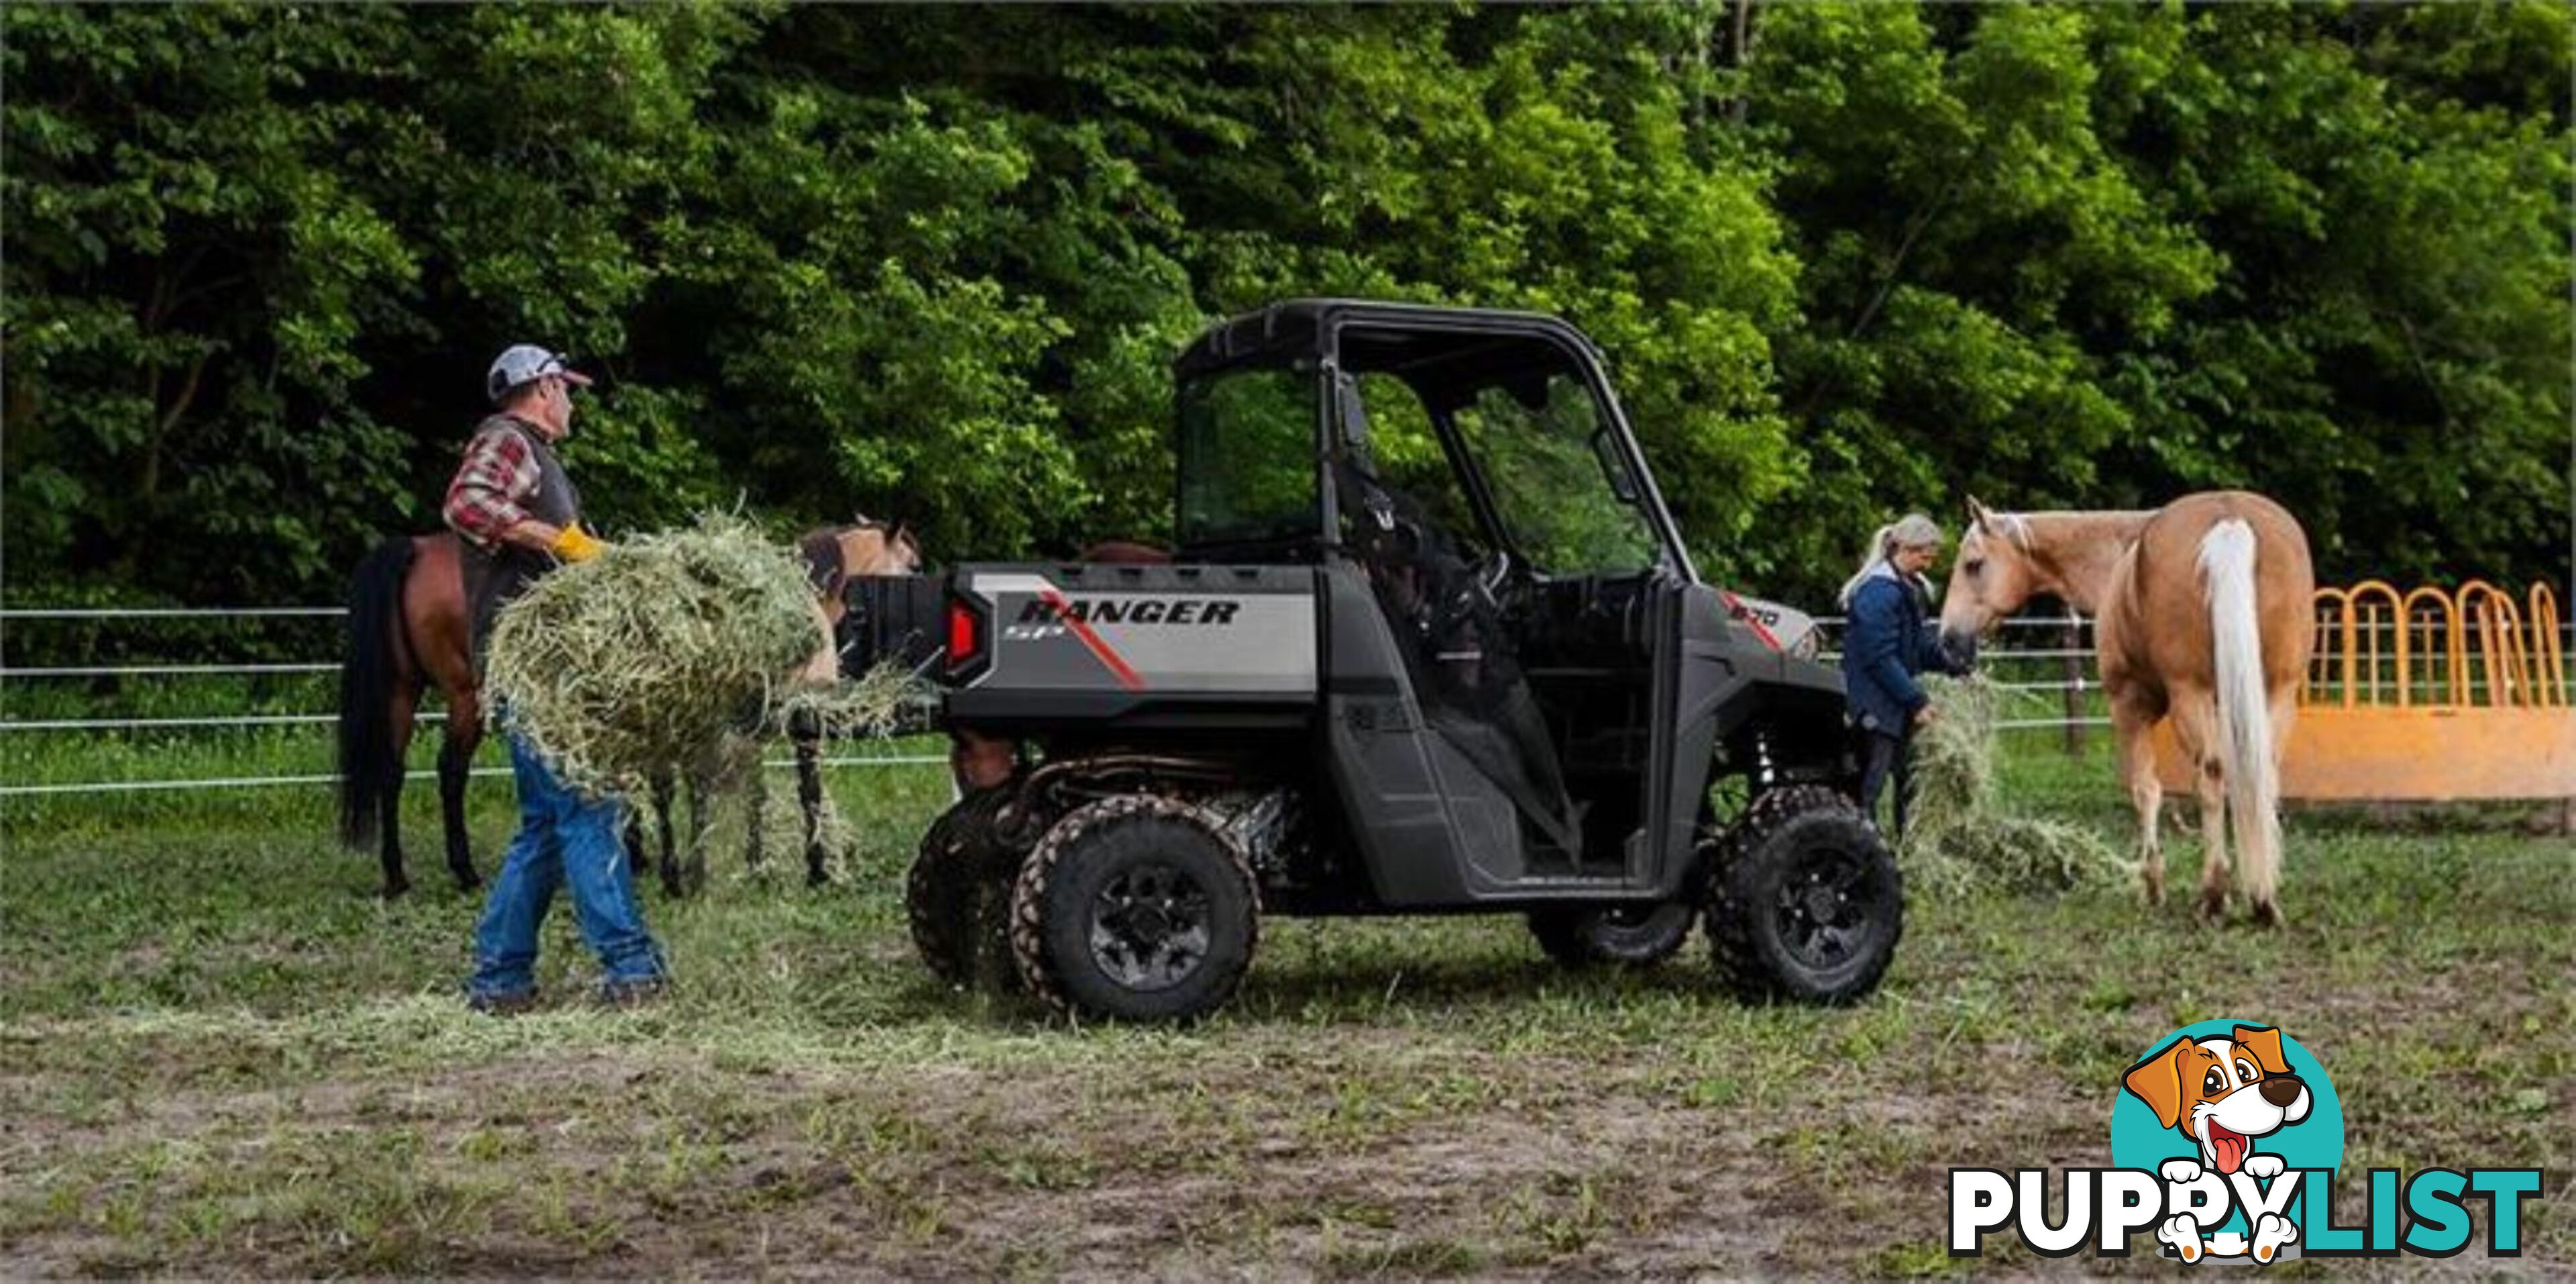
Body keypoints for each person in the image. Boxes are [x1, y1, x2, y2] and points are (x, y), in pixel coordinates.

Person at [445, 344, 667, 1012]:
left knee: (545, 825)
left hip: (537, 666)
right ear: (542, 389)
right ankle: (631, 970)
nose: (571, 402)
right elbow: (467, 504)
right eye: (565, 390)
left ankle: (500, 980)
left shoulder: (537, 454)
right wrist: (559, 540)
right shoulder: (508, 440)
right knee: (588, 806)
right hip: (536, 669)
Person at [1837, 513, 1964, 839]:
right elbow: (1879, 657)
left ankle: (1907, 850)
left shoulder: (1908, 589)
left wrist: (1953, 664)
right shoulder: (1879, 594)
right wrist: (1916, 700)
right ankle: (1859, 850)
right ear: (1905, 548)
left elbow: (1917, 644)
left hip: (1894, 703)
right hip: (1874, 707)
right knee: (1869, 787)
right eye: (1926, 554)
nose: (1930, 562)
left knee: (1908, 780)